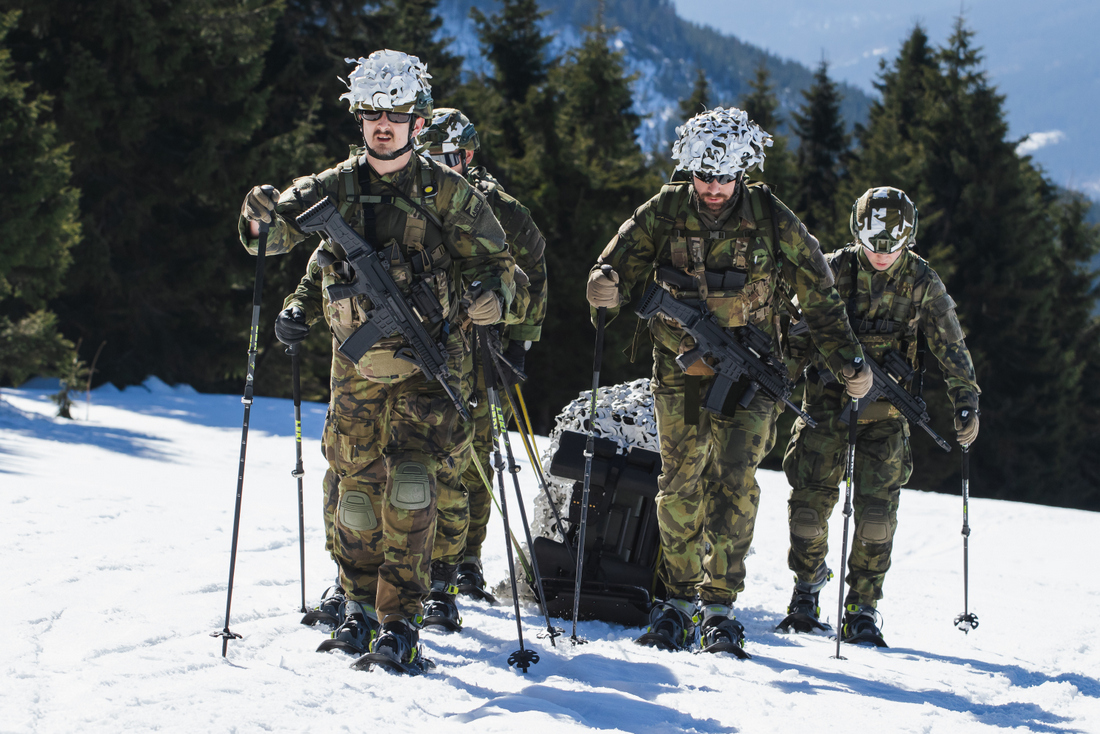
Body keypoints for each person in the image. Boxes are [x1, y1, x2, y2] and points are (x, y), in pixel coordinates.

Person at [238, 50, 516, 671]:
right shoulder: (332, 186)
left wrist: (492, 298)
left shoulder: (450, 193)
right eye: (371, 115)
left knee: (413, 487)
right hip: (356, 371)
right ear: (359, 119)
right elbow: (272, 238)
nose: (382, 126)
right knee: (357, 493)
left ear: (417, 121)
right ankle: (359, 608)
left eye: (394, 115)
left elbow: (499, 265)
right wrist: (257, 216)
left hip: (428, 366)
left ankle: (401, 622)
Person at [585, 107, 870, 654]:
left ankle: (719, 606)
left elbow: (820, 294)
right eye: (703, 176)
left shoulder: (771, 217)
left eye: (723, 177)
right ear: (687, 169)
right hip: (683, 374)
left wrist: (849, 362)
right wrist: (604, 288)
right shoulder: (664, 209)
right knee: (680, 484)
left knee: (734, 485)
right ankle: (676, 601)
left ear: (742, 172)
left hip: (752, 378)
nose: (712, 188)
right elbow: (613, 267)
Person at [780, 186, 980, 646]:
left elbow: (951, 345)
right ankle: (806, 590)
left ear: (909, 237)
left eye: (894, 243)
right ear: (857, 232)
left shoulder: (922, 281)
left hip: (886, 415)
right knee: (808, 511)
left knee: (875, 517)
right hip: (824, 407)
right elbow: (794, 337)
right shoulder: (830, 270)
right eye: (874, 242)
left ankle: (862, 608)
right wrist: (775, 386)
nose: (883, 252)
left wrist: (965, 399)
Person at [415, 108, 548, 626]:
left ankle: (467, 558)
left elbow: (533, 275)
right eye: (428, 155)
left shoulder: (503, 211)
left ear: (467, 156)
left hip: (487, 348)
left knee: (476, 453)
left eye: (447, 156)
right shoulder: (416, 196)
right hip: (430, 344)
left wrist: (520, 345)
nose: (437, 165)